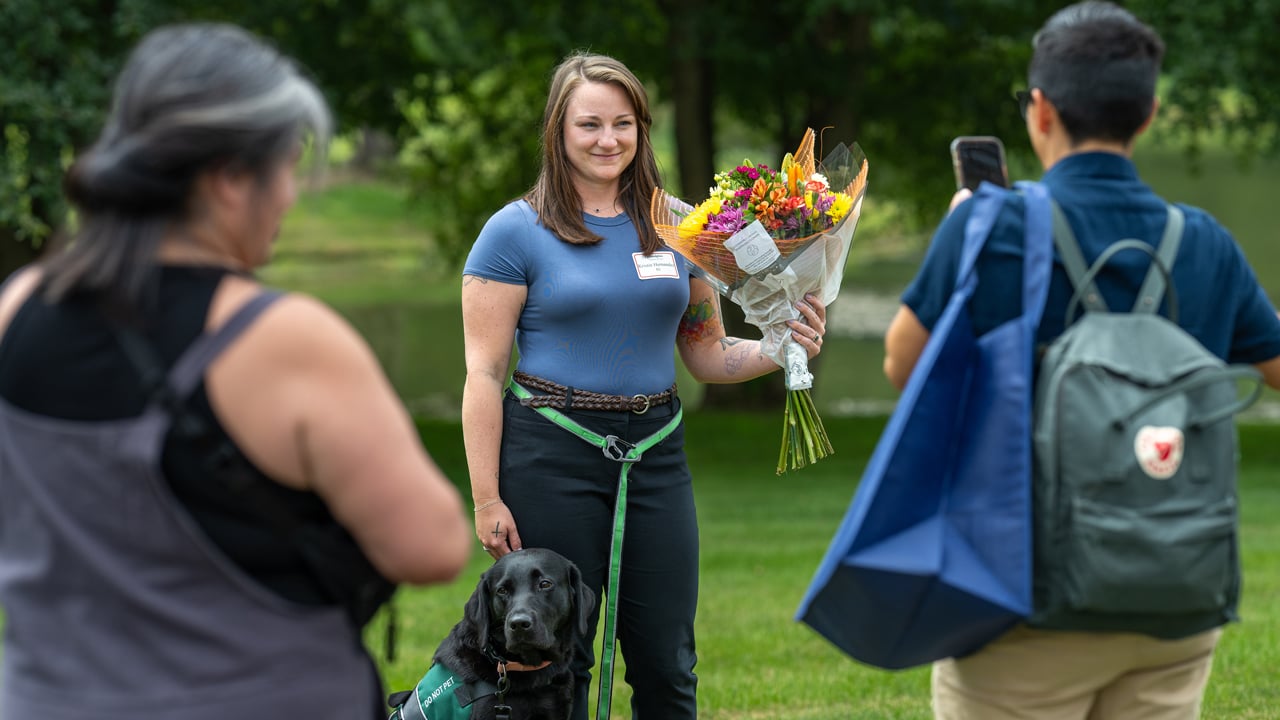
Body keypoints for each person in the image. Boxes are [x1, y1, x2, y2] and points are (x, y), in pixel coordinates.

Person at [0, 23, 472, 720]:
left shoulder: (16, 309)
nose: (289, 196)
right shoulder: (281, 339)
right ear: (228, 178)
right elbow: (431, 546)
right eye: (286, 166)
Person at [883, 3, 1280, 719]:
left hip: (1025, 599)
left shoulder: (990, 224)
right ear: (1150, 113)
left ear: (1040, 111)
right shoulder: (1207, 243)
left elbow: (903, 367)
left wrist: (962, 239)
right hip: (1175, 600)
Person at [460, 51, 828, 719]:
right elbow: (483, 374)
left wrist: (780, 347)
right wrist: (487, 497)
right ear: (558, 131)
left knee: (666, 660)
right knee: (553, 663)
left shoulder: (680, 227)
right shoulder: (512, 233)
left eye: (623, 123)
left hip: (656, 454)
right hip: (550, 453)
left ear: (641, 129)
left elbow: (708, 353)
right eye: (589, 124)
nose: (608, 140)